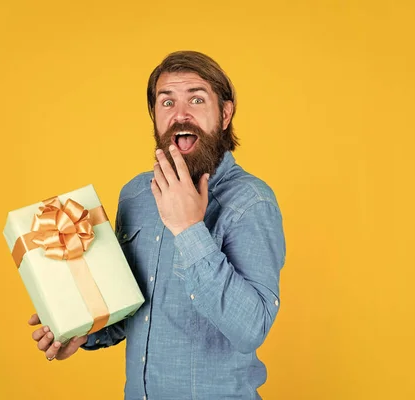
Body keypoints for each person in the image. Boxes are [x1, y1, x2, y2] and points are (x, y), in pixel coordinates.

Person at [28, 50, 286, 399]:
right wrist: (84, 329)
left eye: (196, 99)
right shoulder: (136, 194)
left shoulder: (251, 202)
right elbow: (136, 308)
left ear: (225, 114)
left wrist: (189, 229)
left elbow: (251, 329)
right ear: (154, 115)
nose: (181, 115)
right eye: (167, 103)